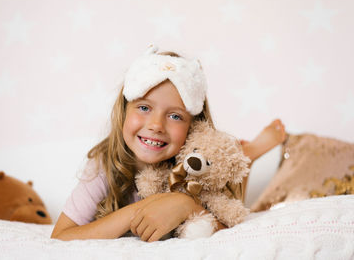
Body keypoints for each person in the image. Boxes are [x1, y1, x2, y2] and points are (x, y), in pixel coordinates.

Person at [51, 45, 286, 242]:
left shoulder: (196, 165)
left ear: (193, 126)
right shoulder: (104, 164)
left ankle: (244, 156)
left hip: (209, 172)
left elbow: (229, 230)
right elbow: (61, 236)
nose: (156, 125)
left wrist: (186, 205)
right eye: (144, 107)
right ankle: (246, 152)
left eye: (175, 116)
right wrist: (144, 208)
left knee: (229, 180)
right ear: (124, 111)